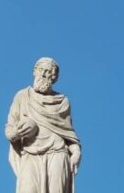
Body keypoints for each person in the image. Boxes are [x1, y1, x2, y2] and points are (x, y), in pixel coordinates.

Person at [5, 57, 81, 193]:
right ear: (35, 71)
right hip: (30, 154)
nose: (44, 75)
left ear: (54, 77)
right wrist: (16, 133)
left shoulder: (62, 101)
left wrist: (76, 152)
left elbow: (69, 135)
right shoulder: (22, 96)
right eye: (41, 70)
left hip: (57, 154)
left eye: (49, 72)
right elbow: (9, 130)